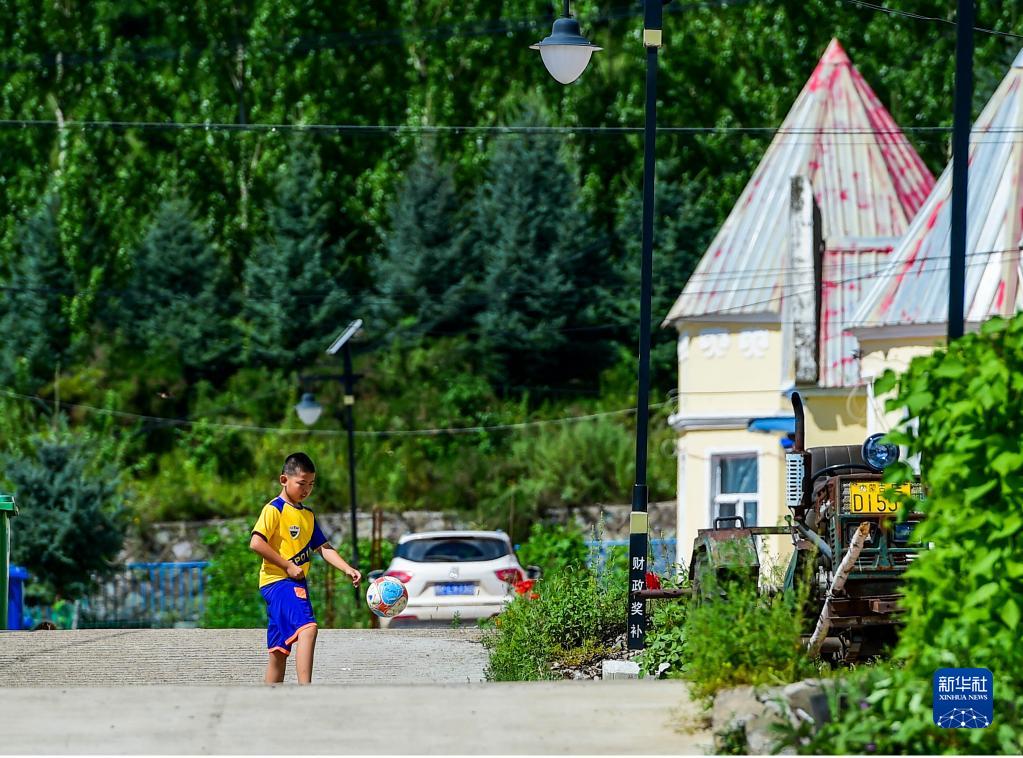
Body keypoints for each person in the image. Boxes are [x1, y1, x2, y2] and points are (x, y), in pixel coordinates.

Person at [249, 451, 361, 684]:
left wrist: (347, 568)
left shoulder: (308, 515)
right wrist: (287, 565)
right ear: (284, 480)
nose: (306, 489)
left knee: (279, 652)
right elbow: (256, 542)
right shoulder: (274, 509)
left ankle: (267, 700)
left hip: (293, 583)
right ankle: (306, 693)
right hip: (279, 582)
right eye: (301, 483)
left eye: (311, 484)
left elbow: (324, 547)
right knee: (308, 629)